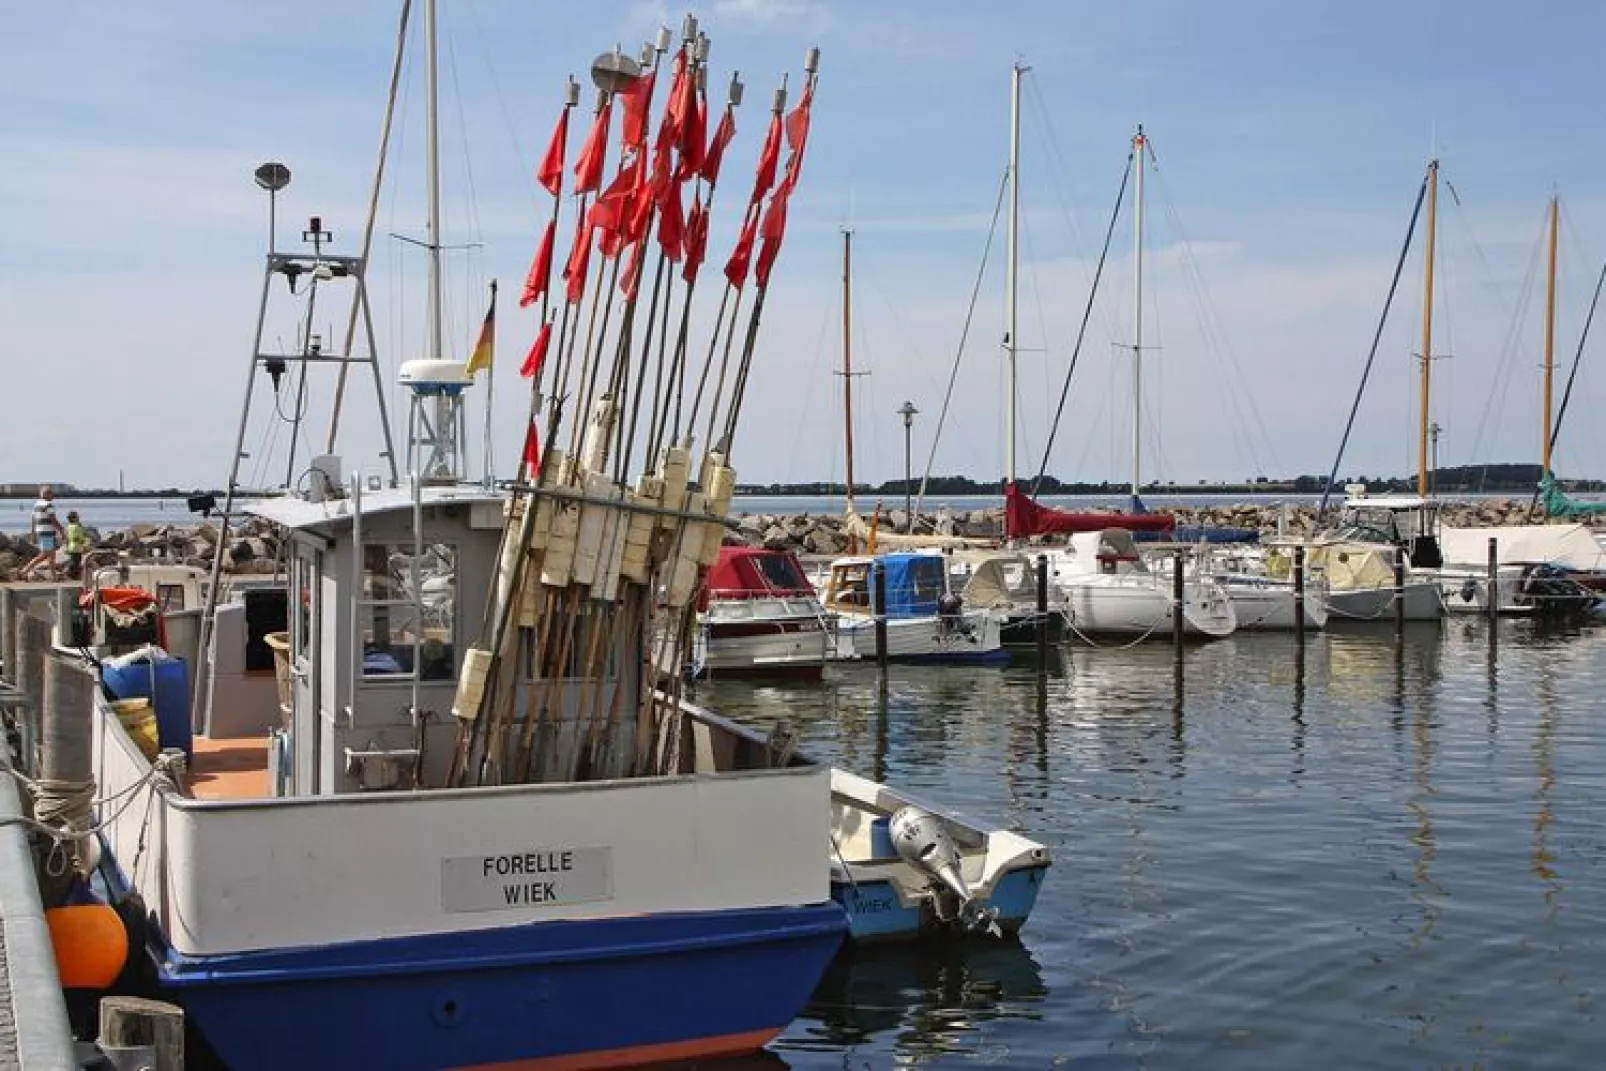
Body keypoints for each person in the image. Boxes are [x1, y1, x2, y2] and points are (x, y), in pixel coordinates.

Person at [21, 486, 64, 580]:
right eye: (51, 493)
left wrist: (33, 533)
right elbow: (53, 519)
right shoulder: (48, 505)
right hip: (47, 531)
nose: (53, 495)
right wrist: (61, 530)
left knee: (52, 555)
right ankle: (25, 570)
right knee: (45, 554)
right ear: (46, 494)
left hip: (40, 531)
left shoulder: (36, 504)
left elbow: (33, 520)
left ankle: (54, 576)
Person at [64, 511, 91, 581]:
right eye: (77, 516)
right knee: (76, 562)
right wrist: (85, 544)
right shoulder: (77, 527)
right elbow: (81, 537)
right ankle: (71, 575)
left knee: (73, 560)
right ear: (74, 518)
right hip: (77, 547)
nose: (78, 518)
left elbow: (67, 537)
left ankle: (72, 575)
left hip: (71, 546)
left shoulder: (69, 526)